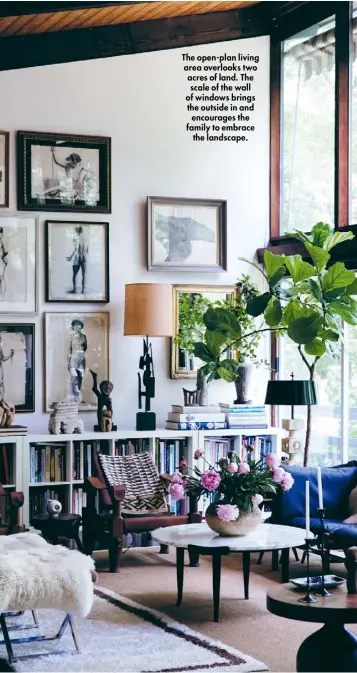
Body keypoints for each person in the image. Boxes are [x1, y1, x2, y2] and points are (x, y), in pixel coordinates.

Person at [67, 319, 87, 400]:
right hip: (73, 358)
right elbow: (69, 349)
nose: (77, 327)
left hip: (81, 358)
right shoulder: (70, 336)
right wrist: (68, 361)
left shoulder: (83, 336)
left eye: (79, 325)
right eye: (75, 325)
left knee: (80, 377)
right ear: (72, 326)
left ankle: (78, 395)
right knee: (74, 378)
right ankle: (74, 395)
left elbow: (85, 348)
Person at [65, 226, 88, 295]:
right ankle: (83, 291)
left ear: (77, 231)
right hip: (84, 258)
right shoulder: (85, 239)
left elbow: (76, 250)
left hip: (78, 258)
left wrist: (70, 257)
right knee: (83, 275)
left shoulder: (76, 239)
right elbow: (87, 250)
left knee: (74, 275)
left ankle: (74, 290)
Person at [0, 335, 14, 400]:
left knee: (1, 384)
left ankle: (1, 400)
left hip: (0, 368)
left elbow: (3, 358)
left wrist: (10, 354)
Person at [0, 228, 8, 299]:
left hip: (0, 261)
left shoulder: (2, 240)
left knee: (1, 278)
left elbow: (6, 251)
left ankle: (2, 295)